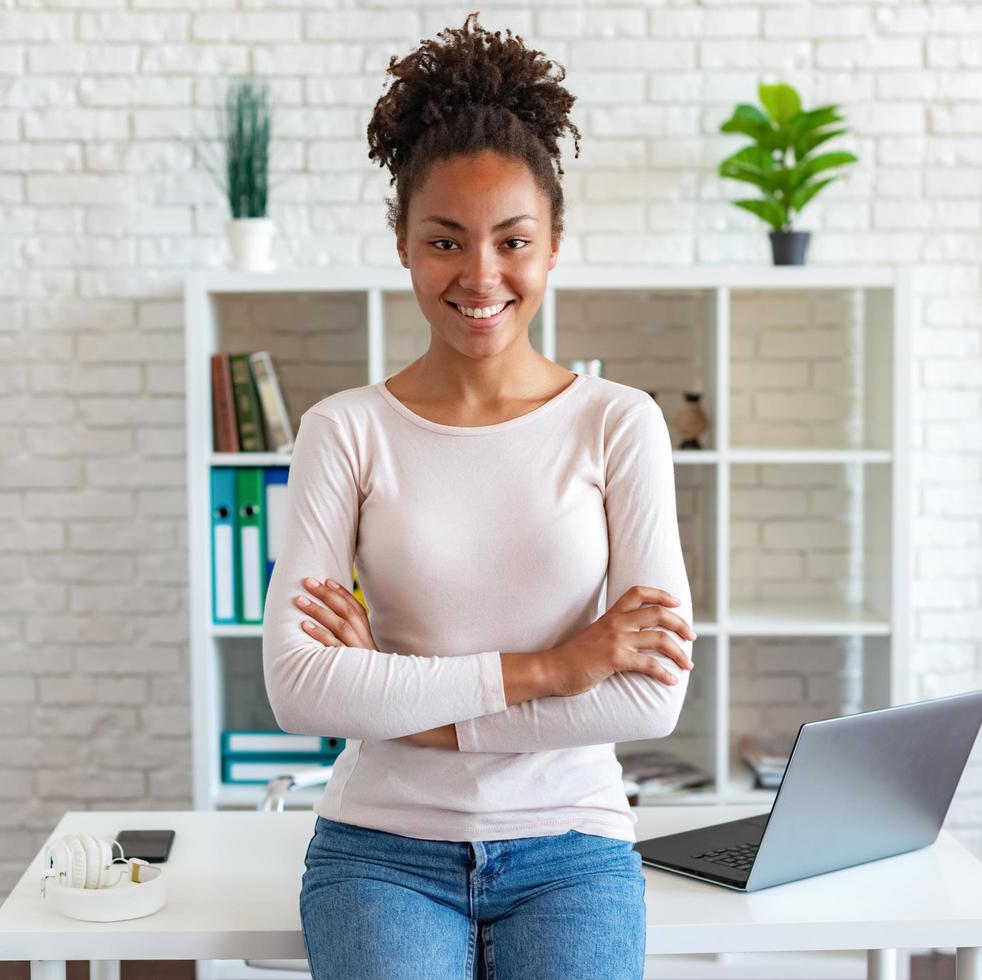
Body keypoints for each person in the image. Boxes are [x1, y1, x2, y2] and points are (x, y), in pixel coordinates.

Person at [260, 12, 696, 979]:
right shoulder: (346, 430)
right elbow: (299, 686)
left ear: (553, 244)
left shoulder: (618, 424)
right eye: (445, 241)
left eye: (512, 241)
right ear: (404, 245)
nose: (480, 276)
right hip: (379, 849)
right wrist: (559, 666)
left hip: (573, 847)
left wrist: (392, 696)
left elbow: (653, 696)